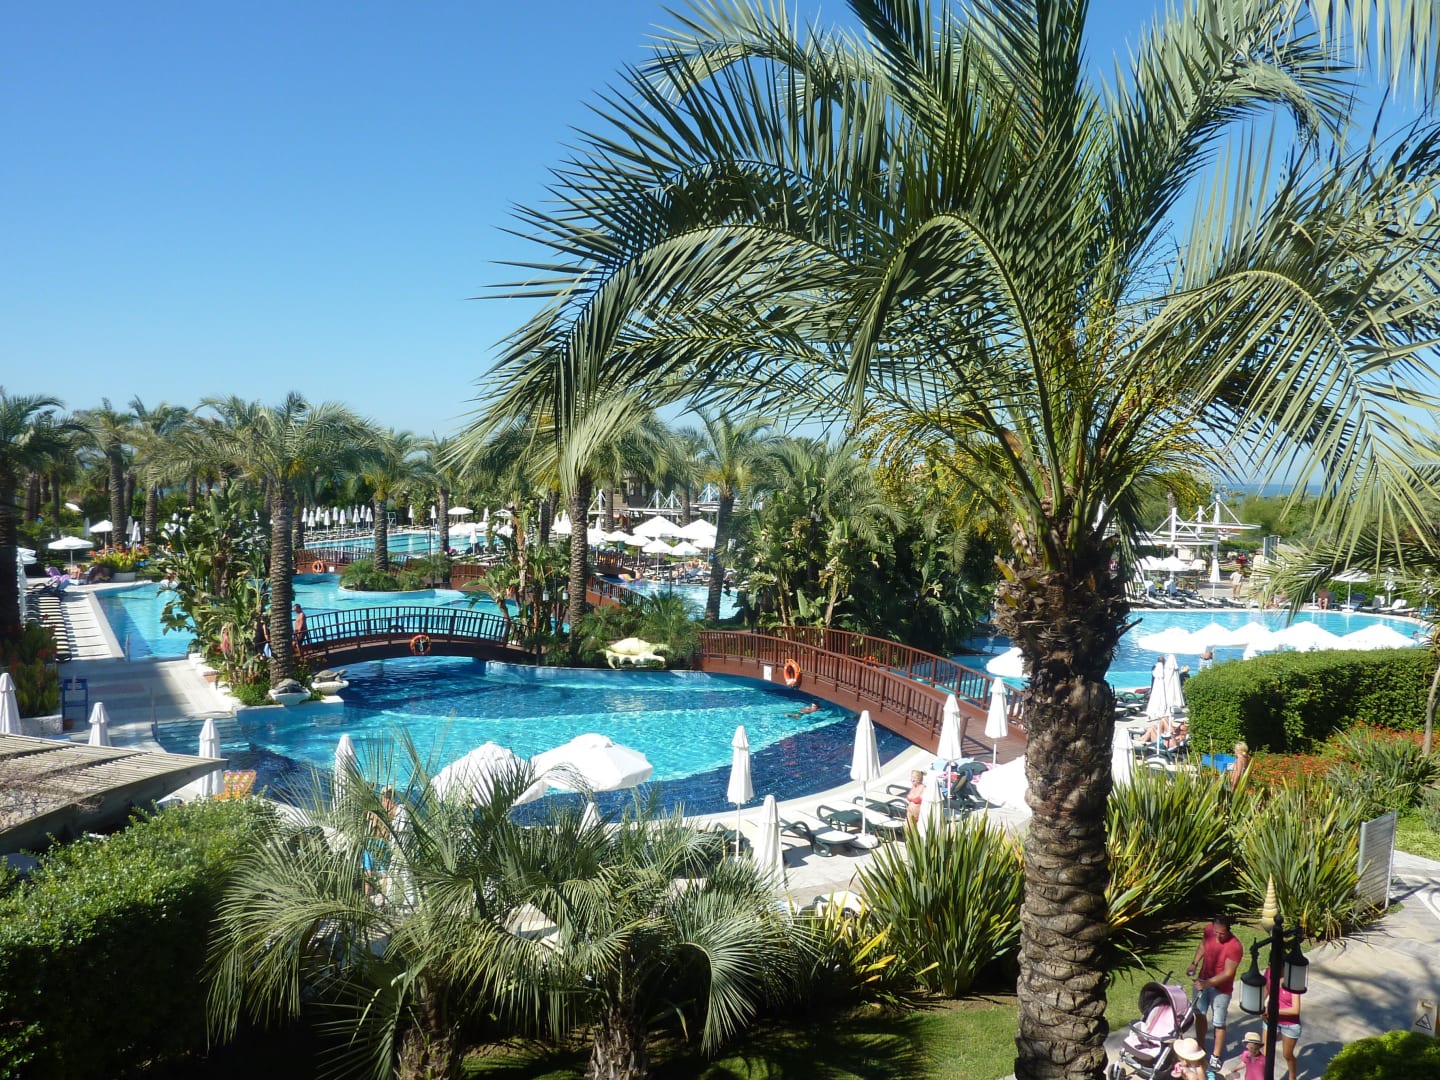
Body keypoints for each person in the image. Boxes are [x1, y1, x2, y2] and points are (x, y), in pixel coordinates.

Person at [1188, 915, 1244, 1070]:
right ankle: (1200, 1047)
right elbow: (1203, 946)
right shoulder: (1208, 930)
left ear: (1228, 930)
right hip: (1203, 979)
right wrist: (1194, 964)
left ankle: (1216, 1056)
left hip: (1221, 989)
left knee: (1218, 1022)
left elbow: (1228, 973)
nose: (1218, 936)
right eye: (1216, 932)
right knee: (1199, 1014)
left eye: (1222, 934)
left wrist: (1206, 984)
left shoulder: (1235, 946)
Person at [1269, 967, 1301, 1080]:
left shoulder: (1294, 984)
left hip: (1289, 1024)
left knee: (1287, 1054)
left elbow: (1296, 1010)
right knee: (1265, 1050)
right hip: (1272, 1020)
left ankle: (1292, 1077)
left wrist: (1275, 1011)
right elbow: (1266, 991)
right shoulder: (1271, 975)